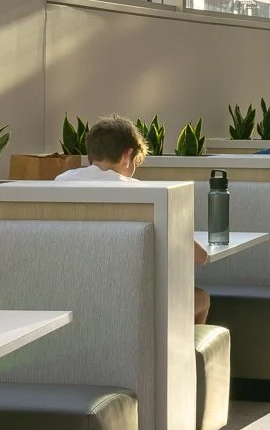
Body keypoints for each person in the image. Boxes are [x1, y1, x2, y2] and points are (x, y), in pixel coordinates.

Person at [57, 115, 212, 323]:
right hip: (130, 301)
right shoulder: (140, 193)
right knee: (201, 297)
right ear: (127, 155)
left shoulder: (61, 182)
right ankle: (183, 355)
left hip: (67, 297)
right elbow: (200, 257)